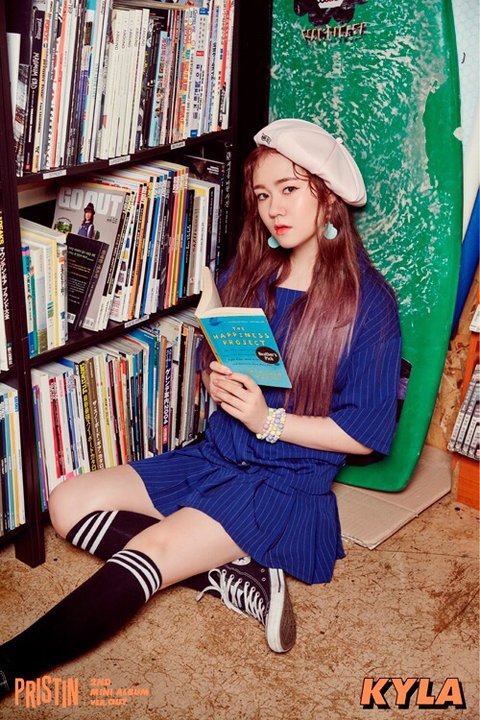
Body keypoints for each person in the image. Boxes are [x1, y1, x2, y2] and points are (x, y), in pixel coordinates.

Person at [0, 119, 401, 697]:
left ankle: (9, 666)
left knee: (151, 552)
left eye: (290, 189)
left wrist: (267, 419)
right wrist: (216, 380)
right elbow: (224, 358)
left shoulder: (370, 303)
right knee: (66, 504)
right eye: (262, 194)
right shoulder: (253, 271)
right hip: (217, 454)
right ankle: (240, 573)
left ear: (329, 196)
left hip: (283, 482)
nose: (273, 208)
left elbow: (363, 434)